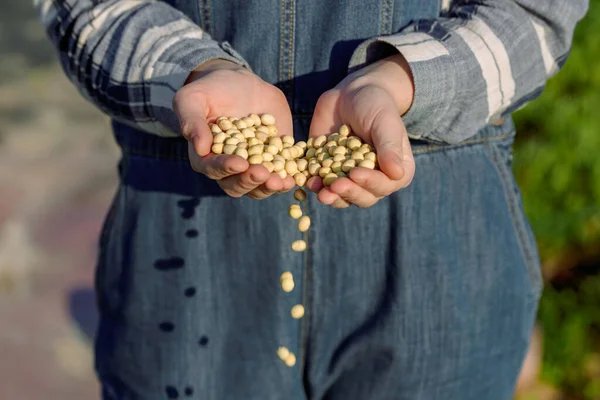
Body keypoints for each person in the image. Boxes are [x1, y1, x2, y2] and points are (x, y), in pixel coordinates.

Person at [38, 0, 587, 399]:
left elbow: (537, 12)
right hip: (186, 246)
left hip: (437, 246)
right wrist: (194, 71)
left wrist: (405, 81)